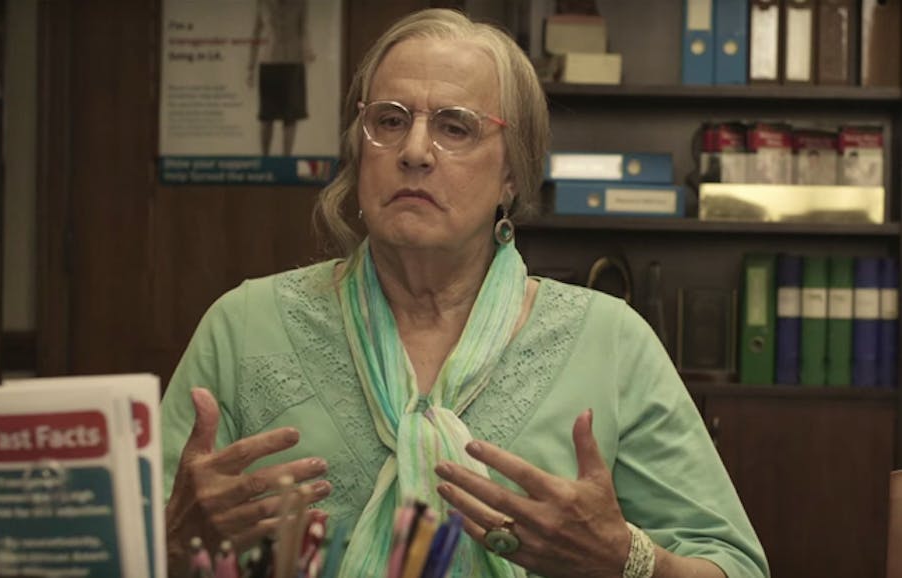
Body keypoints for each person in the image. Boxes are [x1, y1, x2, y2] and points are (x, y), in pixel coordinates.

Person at [162, 8, 770, 578]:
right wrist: (171, 540)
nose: (414, 152)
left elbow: (735, 566)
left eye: (455, 127)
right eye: (390, 121)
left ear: (513, 173)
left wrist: (625, 558)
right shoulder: (245, 326)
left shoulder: (611, 342)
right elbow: (126, 546)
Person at [246, 0, 314, 156]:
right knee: (266, 115)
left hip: (293, 62)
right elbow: (256, 33)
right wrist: (250, 67)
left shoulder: (300, 3)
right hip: (269, 62)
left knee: (291, 115)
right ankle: (265, 159)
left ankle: (286, 159)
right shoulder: (263, 3)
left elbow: (303, 30)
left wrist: (308, 51)